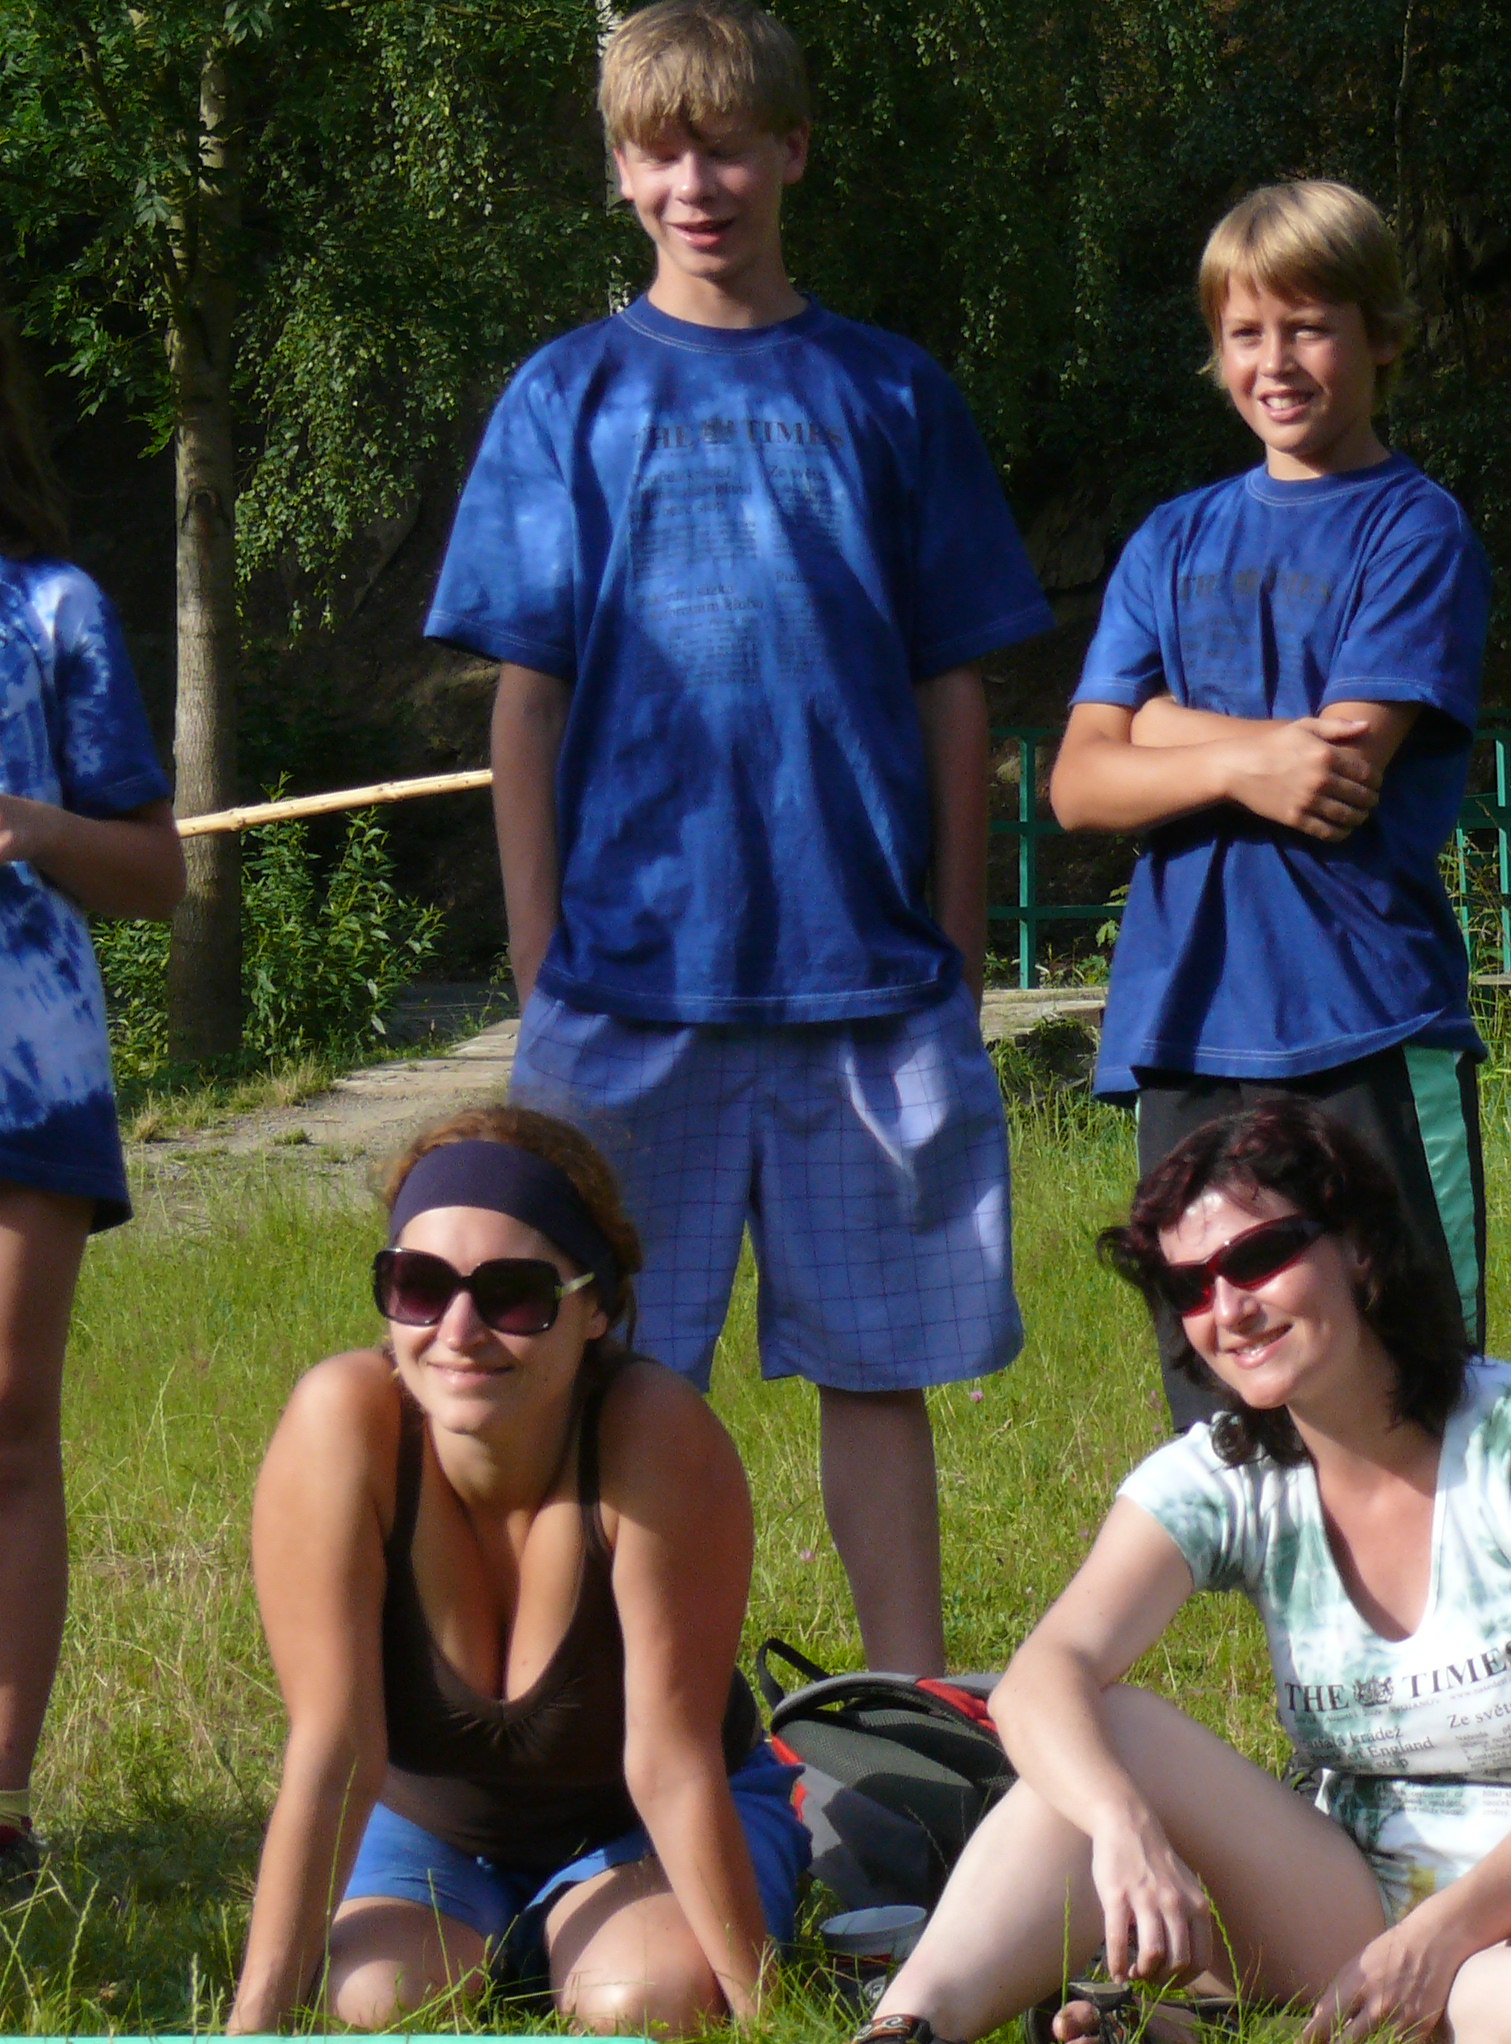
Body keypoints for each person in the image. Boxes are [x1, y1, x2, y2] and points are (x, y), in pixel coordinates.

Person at [423, 0, 1054, 1676]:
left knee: (878, 1371)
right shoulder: (567, 398)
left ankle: (907, 1709)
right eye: (660, 151)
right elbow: (527, 701)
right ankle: (602, 1722)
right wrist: (539, 953)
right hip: (630, 991)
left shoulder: (892, 392)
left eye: (725, 147)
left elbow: (954, 690)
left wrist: (957, 946)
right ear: (620, 170)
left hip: (870, 987)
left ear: (792, 151)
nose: (695, 184)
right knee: (604, 1377)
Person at [810, 1096, 1511, 2044]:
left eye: (1258, 1258)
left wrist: (1439, 1941)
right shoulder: (1230, 1467)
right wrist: (1125, 1830)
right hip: (1349, 1897)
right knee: (1105, 1736)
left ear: (1360, 1248)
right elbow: (1043, 1677)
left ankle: (1239, 2023)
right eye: (1190, 1287)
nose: (1228, 1308)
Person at [1047, 179, 1493, 1418]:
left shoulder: (1415, 531)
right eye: (1247, 332)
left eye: (1309, 327)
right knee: (1224, 1403)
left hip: (1363, 1016)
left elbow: (1336, 769)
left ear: (1381, 336)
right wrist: (1244, 758)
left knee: (1411, 1385)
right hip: (1183, 1021)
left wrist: (1162, 728)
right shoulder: (1171, 539)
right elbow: (1079, 781)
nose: (1276, 362)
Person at [227, 1110, 803, 2035]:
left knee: (640, 2003)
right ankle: (521, 1940)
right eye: (419, 1287)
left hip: (638, 1830)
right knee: (376, 2006)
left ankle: (583, 1943)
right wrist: (251, 2035)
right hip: (431, 1835)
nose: (458, 1330)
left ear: (595, 1310)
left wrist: (769, 2027)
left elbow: (671, 1761)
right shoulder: (344, 1425)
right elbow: (333, 1747)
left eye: (514, 1295)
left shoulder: (651, 1434)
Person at [0, 306, 180, 1884]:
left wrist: (29, 825)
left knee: (5, 1426)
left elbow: (153, 873)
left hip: (26, 1079)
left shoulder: (53, 609)